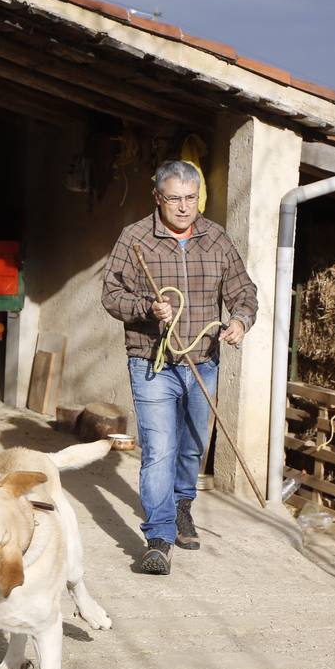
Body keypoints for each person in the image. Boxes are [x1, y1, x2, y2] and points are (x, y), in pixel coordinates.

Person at [101, 160, 258, 575]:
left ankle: (182, 506)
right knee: (159, 450)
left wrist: (240, 320)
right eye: (174, 199)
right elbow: (111, 295)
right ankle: (158, 537)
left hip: (202, 361)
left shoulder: (216, 239)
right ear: (158, 198)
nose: (184, 207)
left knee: (191, 447)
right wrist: (146, 309)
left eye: (190, 198)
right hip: (152, 363)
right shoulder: (135, 239)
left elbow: (244, 291)